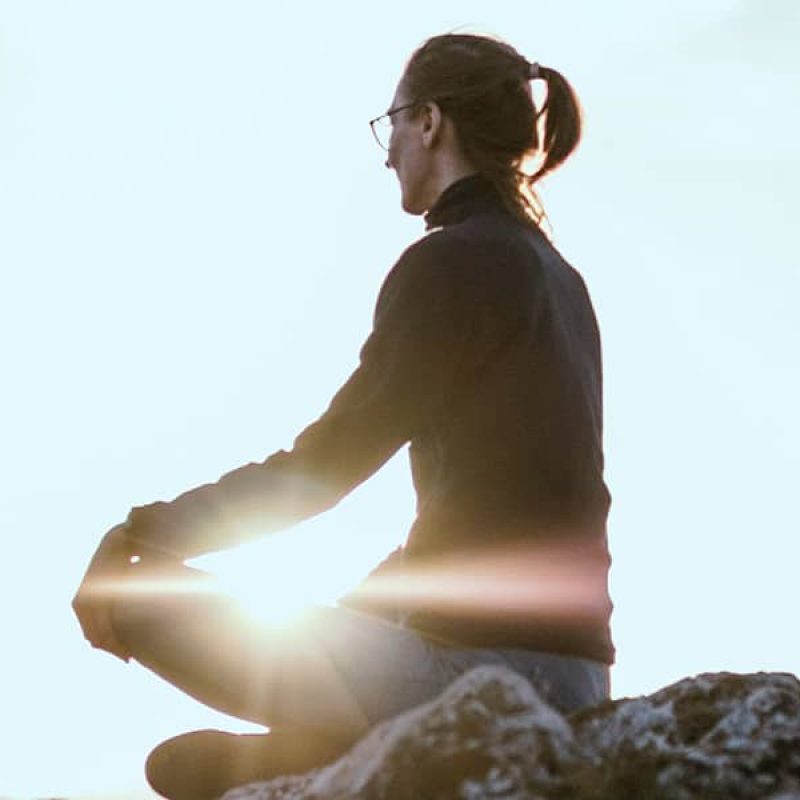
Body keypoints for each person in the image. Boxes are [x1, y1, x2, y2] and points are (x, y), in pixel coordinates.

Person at [73, 32, 615, 800]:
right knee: (206, 735)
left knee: (136, 596)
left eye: (392, 123)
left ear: (430, 121)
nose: (388, 149)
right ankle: (334, 752)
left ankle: (334, 752)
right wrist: (365, 606)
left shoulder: (453, 261)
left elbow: (322, 468)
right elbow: (509, 507)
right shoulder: (561, 279)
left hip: (487, 679)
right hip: (579, 679)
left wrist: (141, 533)